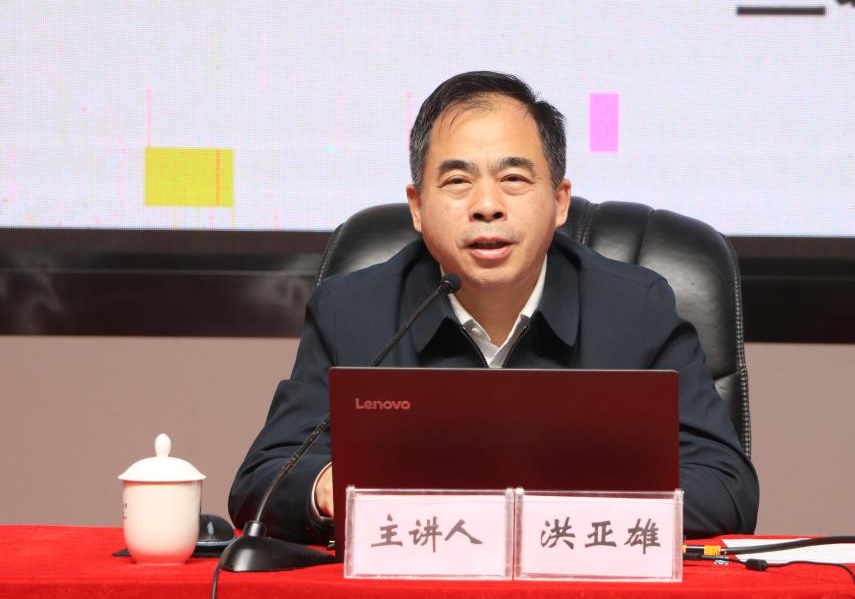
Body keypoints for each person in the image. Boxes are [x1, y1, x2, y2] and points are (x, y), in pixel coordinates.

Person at [229, 71, 759, 543]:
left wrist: (541, 501)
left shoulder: (636, 310)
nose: (486, 206)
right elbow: (263, 481)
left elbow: (726, 487)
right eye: (458, 181)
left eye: (513, 179)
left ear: (559, 201)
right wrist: (328, 487)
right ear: (418, 207)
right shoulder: (353, 312)